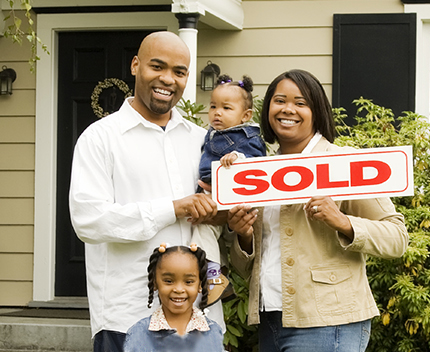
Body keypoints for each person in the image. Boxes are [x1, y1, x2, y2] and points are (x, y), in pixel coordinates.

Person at [226, 69, 408, 352]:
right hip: (269, 317)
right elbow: (250, 264)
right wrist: (243, 236)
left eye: (301, 103)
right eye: (280, 101)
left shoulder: (343, 163)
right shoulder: (256, 172)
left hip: (328, 321)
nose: (288, 109)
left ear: (317, 110)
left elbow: (397, 238)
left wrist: (343, 221)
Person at [68, 31, 224, 352]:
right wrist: (175, 208)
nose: (168, 79)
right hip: (129, 316)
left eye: (179, 72)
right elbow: (88, 219)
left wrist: (222, 213)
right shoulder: (100, 138)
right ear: (136, 66)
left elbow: (218, 218)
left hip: (200, 319)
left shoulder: (203, 141)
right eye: (157, 67)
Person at [193, 74, 263, 308]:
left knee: (203, 229)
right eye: (213, 106)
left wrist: (237, 158)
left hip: (229, 195)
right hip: (214, 192)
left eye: (226, 108)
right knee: (213, 237)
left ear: (245, 116)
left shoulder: (247, 135)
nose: (217, 113)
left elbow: (255, 158)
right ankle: (220, 274)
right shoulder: (212, 132)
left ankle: (214, 278)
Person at [122, 244, 225, 352]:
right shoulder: (139, 332)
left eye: (188, 282)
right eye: (169, 281)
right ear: (155, 283)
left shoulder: (212, 331)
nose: (179, 289)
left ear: (200, 285)